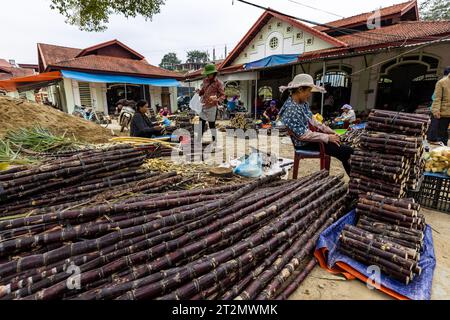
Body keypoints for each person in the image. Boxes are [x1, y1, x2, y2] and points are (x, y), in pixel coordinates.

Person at [279, 74, 354, 174]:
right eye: (309, 91)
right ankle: (355, 182)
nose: (309, 94)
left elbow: (313, 120)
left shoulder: (302, 104)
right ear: (300, 89)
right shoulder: (290, 109)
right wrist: (327, 137)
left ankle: (354, 180)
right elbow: (304, 135)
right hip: (304, 143)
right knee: (347, 151)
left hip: (311, 139)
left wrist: (329, 131)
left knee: (345, 150)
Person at [198, 64, 225, 144]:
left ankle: (214, 142)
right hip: (203, 105)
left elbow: (223, 95)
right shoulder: (205, 81)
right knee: (201, 123)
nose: (209, 75)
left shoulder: (218, 83)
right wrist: (199, 92)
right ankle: (199, 141)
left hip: (212, 106)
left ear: (214, 73)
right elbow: (203, 90)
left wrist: (217, 99)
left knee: (211, 125)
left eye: (210, 74)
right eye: (208, 74)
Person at [432, 66, 450, 146]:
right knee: (442, 136)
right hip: (444, 113)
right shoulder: (441, 82)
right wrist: (436, 110)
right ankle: (443, 152)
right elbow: (437, 98)